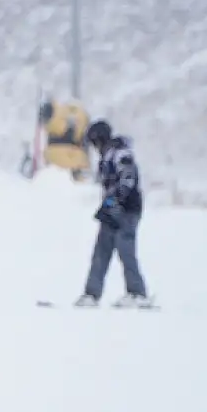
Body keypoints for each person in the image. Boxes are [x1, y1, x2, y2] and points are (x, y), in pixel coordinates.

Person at [76, 119, 152, 307]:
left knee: (126, 250)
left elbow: (128, 179)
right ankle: (91, 294)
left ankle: (137, 294)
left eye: (94, 143)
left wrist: (115, 201)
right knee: (101, 251)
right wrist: (107, 205)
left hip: (128, 210)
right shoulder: (107, 156)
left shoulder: (120, 153)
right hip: (113, 210)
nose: (94, 148)